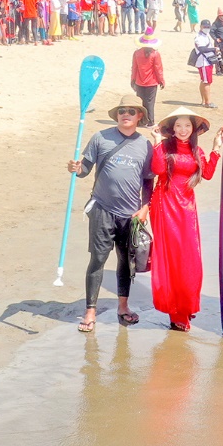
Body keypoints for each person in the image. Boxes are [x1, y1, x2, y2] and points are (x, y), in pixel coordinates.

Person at [66, 96, 156, 332]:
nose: (125, 114)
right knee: (98, 259)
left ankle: (123, 307)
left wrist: (145, 207)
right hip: (102, 209)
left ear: (139, 116)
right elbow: (84, 170)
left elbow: (148, 181)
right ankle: (90, 311)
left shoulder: (145, 145)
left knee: (126, 262)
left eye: (131, 111)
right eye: (121, 111)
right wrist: (77, 169)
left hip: (130, 215)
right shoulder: (100, 138)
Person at [150, 109, 223, 331]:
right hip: (165, 204)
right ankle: (175, 311)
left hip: (188, 208)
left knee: (190, 257)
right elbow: (158, 169)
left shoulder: (196, 150)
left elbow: (208, 174)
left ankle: (186, 303)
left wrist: (217, 147)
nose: (183, 130)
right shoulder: (164, 147)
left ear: (193, 130)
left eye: (187, 126)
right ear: (172, 129)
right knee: (172, 258)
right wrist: (155, 141)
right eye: (179, 126)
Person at [131, 34, 166, 125]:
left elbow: (134, 68)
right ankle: (150, 121)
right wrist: (161, 81)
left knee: (141, 102)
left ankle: (141, 121)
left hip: (139, 81)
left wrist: (133, 79)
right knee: (150, 102)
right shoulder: (155, 54)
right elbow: (158, 69)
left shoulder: (137, 53)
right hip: (152, 82)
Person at [192, 20, 218, 108]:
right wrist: (214, 49)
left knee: (204, 81)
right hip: (204, 62)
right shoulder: (198, 37)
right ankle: (207, 102)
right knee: (207, 82)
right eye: (205, 27)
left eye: (208, 27)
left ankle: (204, 100)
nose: (206, 29)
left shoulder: (206, 36)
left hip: (207, 61)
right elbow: (202, 49)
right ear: (201, 27)